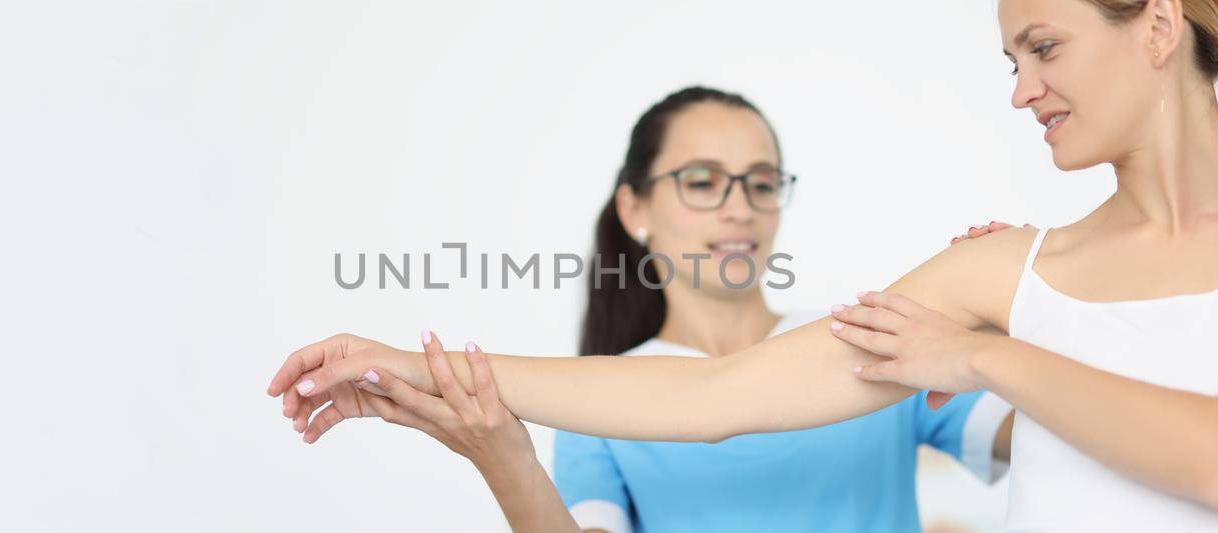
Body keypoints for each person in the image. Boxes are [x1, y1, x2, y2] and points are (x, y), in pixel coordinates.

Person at [274, 0, 1218, 530]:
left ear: (1158, 25)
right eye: (1010, 58)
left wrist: (989, 356)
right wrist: (404, 364)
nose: (1020, 89)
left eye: (1043, 46)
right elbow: (708, 396)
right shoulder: (1000, 277)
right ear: (637, 209)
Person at [288, 86, 1016, 532]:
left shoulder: (869, 341)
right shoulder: (601, 402)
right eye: (702, 181)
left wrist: (1015, 312)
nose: (739, 207)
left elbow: (1050, 432)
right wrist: (504, 456)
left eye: (761, 182)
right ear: (635, 207)